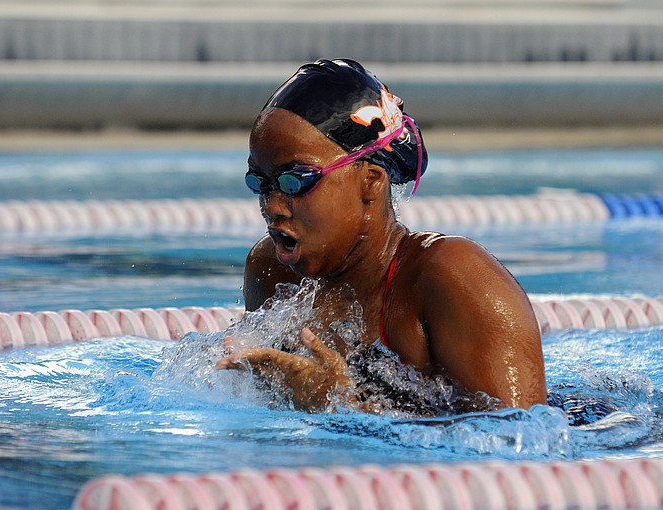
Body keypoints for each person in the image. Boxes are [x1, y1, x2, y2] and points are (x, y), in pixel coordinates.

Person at [216, 59, 546, 414]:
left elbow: (519, 442)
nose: (273, 205)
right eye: (260, 183)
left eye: (296, 181)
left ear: (371, 179)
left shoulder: (454, 278)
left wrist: (347, 407)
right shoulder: (271, 271)